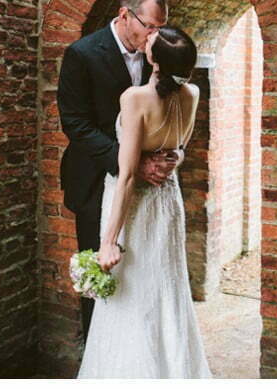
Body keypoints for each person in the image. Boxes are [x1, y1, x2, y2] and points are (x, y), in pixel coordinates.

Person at [76, 26, 212, 379]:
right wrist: (173, 161)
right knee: (165, 290)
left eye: (151, 42)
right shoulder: (192, 93)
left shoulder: (135, 98)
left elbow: (127, 177)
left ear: (153, 60)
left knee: (132, 295)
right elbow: (178, 148)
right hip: (168, 205)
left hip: (134, 208)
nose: (147, 37)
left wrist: (107, 242)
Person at [57, 0, 179, 344]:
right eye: (150, 27)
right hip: (97, 181)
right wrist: (132, 165)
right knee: (102, 279)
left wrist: (170, 157)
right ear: (125, 15)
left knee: (139, 279)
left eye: (161, 28)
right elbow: (76, 124)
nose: (155, 36)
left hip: (145, 192)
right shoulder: (81, 54)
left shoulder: (161, 55)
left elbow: (172, 116)